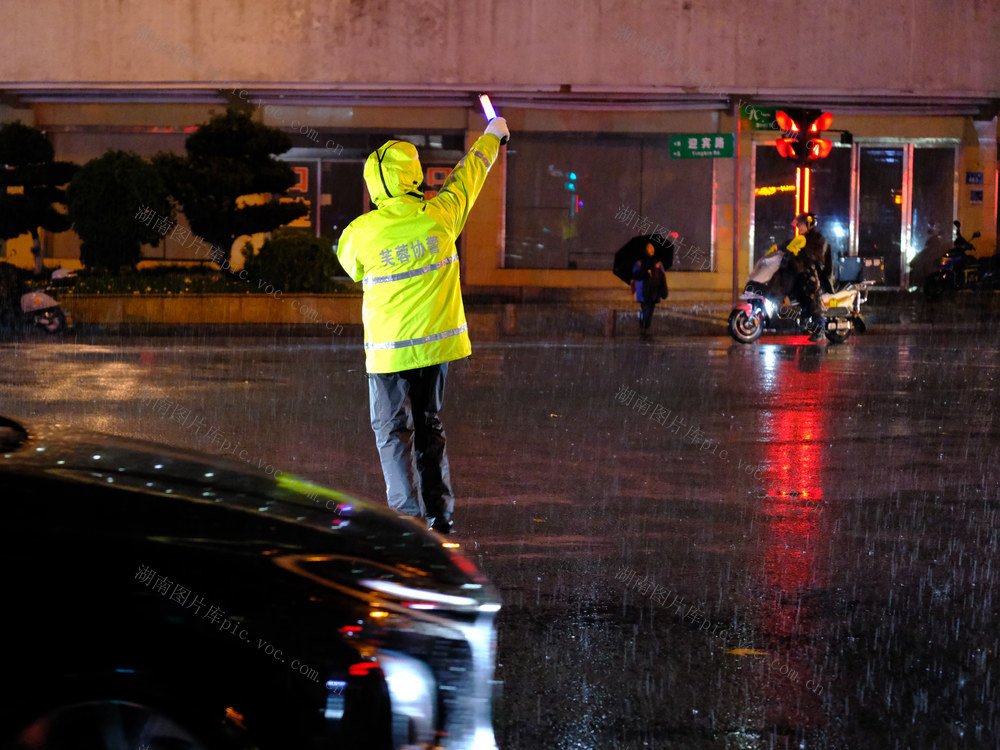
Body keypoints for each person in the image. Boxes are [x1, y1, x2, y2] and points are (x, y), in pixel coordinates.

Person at [336, 117, 510, 534]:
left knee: (391, 431)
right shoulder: (442, 214)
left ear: (375, 186)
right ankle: (440, 513)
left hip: (388, 354)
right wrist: (491, 137)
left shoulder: (362, 233)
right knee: (429, 425)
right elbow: (468, 176)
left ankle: (405, 517)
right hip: (435, 350)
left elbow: (350, 267)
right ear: (413, 175)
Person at [790, 212, 832, 342]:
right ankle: (803, 317)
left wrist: (803, 255)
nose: (799, 227)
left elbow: (817, 258)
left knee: (814, 297)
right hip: (806, 274)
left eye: (801, 225)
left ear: (809, 224)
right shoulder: (803, 238)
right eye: (798, 225)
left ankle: (820, 330)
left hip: (818, 276)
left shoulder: (817, 239)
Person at [630, 242, 668, 331]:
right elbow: (635, 275)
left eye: (652, 248)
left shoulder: (658, 263)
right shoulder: (639, 263)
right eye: (649, 248)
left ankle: (645, 326)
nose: (652, 250)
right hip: (643, 290)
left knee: (649, 310)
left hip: (653, 290)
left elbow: (662, 277)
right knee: (645, 308)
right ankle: (643, 326)